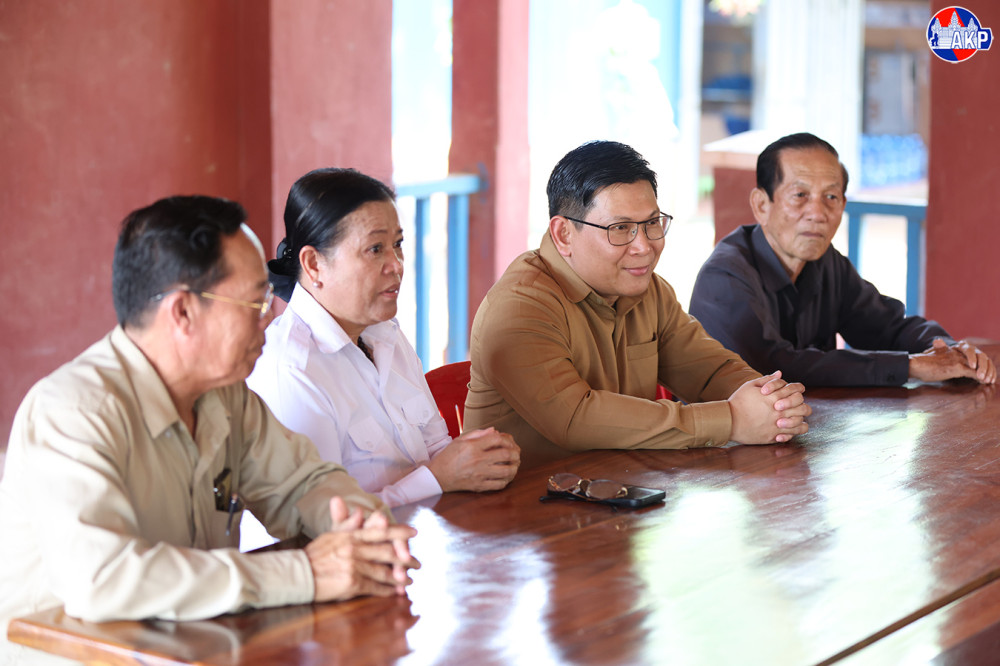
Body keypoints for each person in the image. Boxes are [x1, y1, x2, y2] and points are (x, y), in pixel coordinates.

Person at [0, 196, 420, 661]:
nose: (269, 317)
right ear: (182, 312)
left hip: (194, 647)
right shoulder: (75, 412)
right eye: (255, 301)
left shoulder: (224, 395)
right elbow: (102, 579)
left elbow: (303, 483)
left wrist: (360, 526)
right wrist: (306, 574)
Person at [464, 140, 811, 468]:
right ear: (564, 234)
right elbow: (575, 419)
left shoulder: (647, 291)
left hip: (623, 489)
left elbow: (708, 370)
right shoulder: (520, 307)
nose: (644, 246)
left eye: (651, 224)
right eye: (620, 228)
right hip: (524, 504)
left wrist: (771, 403)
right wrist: (732, 419)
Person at [247, 168, 520, 508]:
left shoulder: (384, 333)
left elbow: (435, 447)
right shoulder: (291, 370)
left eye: (398, 244)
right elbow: (318, 522)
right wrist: (437, 478)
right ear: (314, 264)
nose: (396, 264)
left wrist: (480, 458)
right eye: (375, 249)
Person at [689, 132, 996, 387]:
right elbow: (772, 368)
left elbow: (888, 327)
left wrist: (948, 350)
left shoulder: (826, 264)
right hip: (718, 438)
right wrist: (910, 366)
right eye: (800, 196)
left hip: (806, 431)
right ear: (761, 205)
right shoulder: (725, 276)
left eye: (831, 197)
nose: (817, 213)